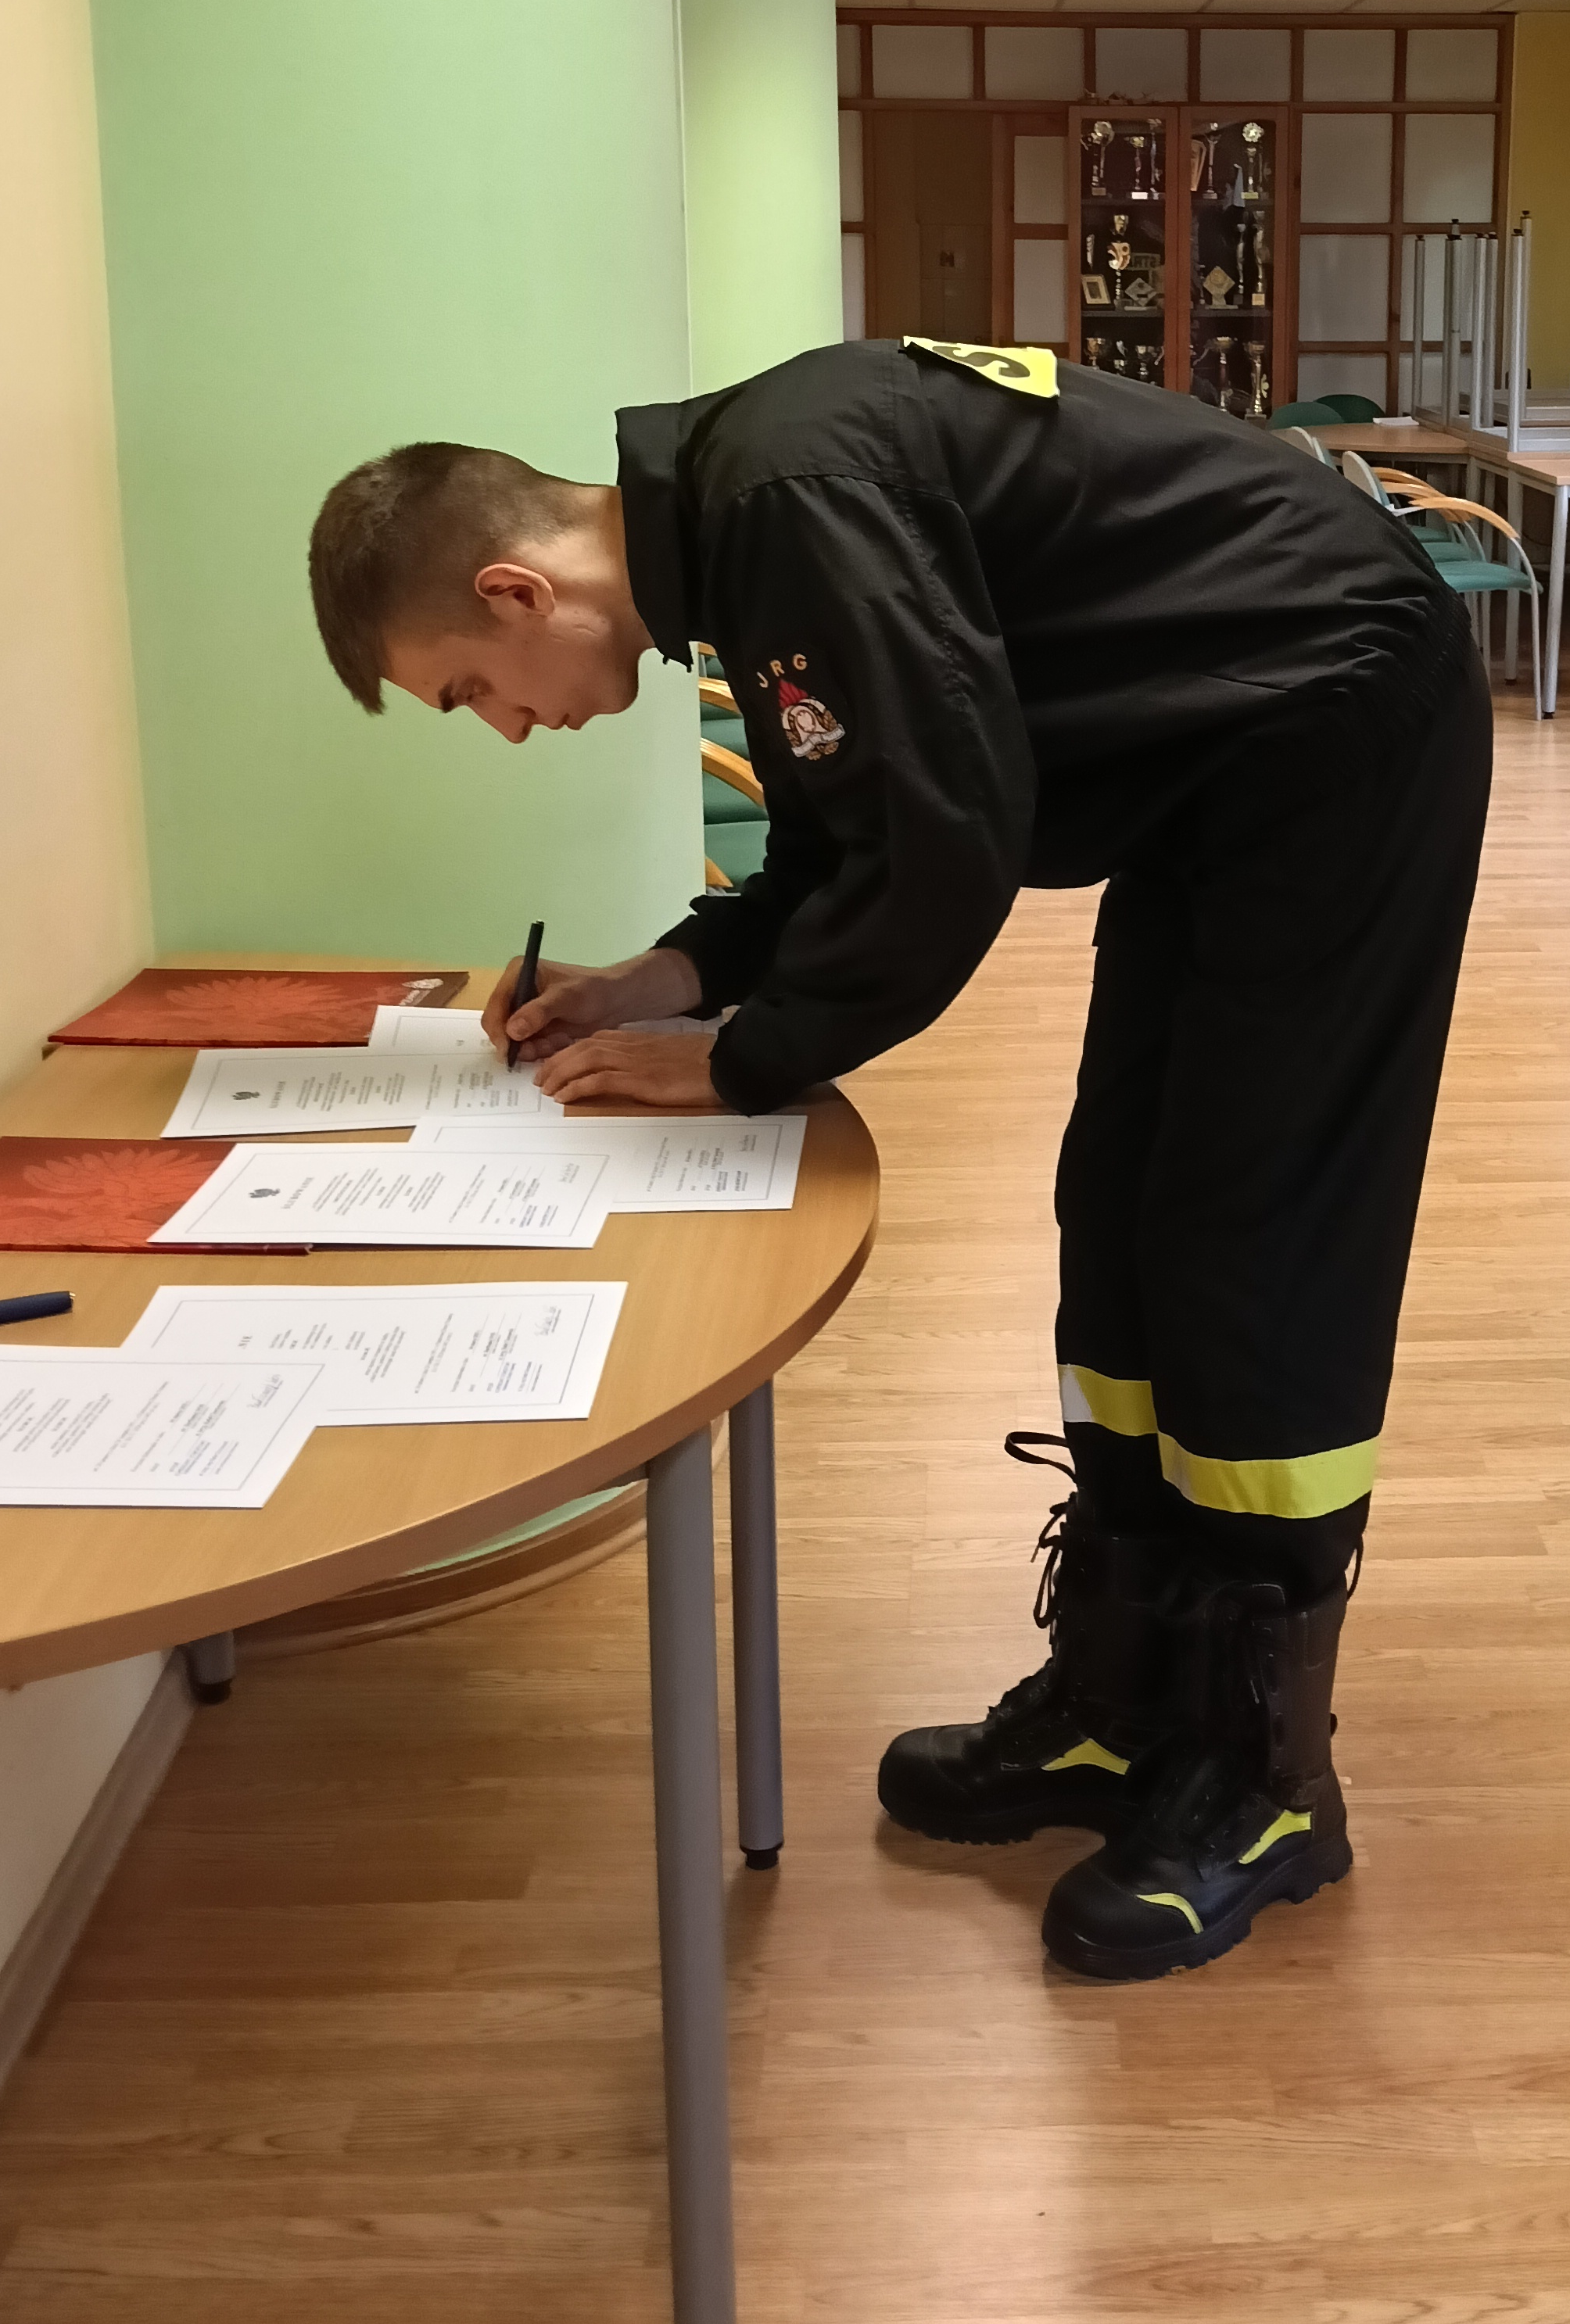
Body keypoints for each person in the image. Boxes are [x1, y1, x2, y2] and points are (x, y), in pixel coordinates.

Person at [306, 336, 1491, 1978]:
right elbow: (843, 818)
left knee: (1254, 1232)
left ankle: (1267, 1779)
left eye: (470, 693)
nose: (508, 730)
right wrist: (678, 974)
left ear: (515, 591)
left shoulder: (787, 497)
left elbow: (943, 844)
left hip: (1341, 731)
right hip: (1226, 770)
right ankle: (1127, 1698)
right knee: (1120, 1206)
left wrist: (744, 1058)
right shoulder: (743, 524)